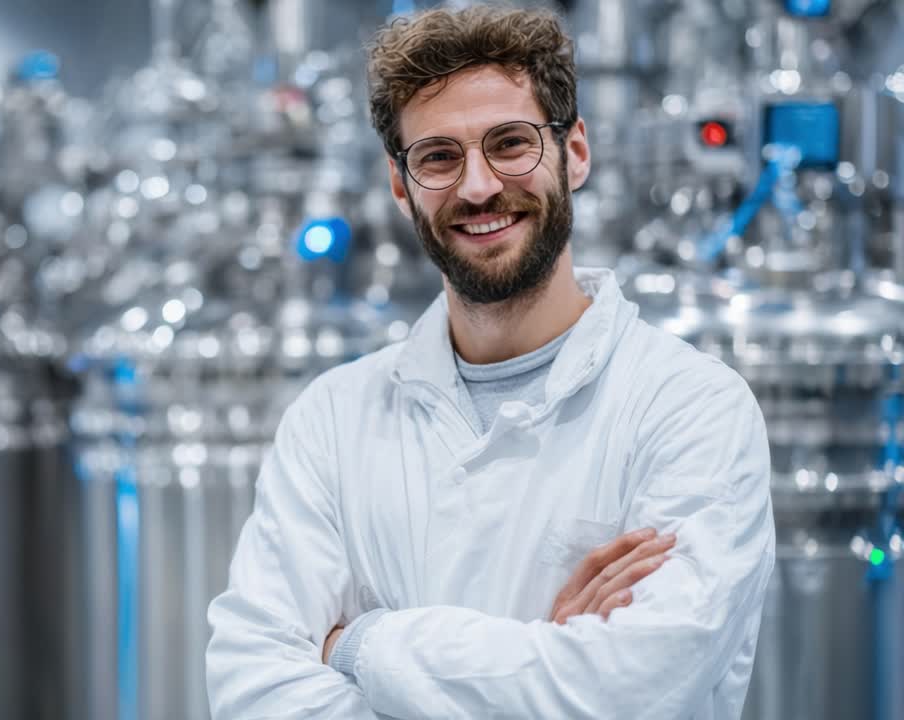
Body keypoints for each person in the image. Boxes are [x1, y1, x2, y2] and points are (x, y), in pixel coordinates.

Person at [206, 5, 775, 719]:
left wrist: (360, 647)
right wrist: (544, 652)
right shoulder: (332, 417)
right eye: (439, 157)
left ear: (575, 153)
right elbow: (252, 690)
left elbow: (635, 690)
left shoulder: (690, 408)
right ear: (399, 183)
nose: (477, 187)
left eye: (510, 144)